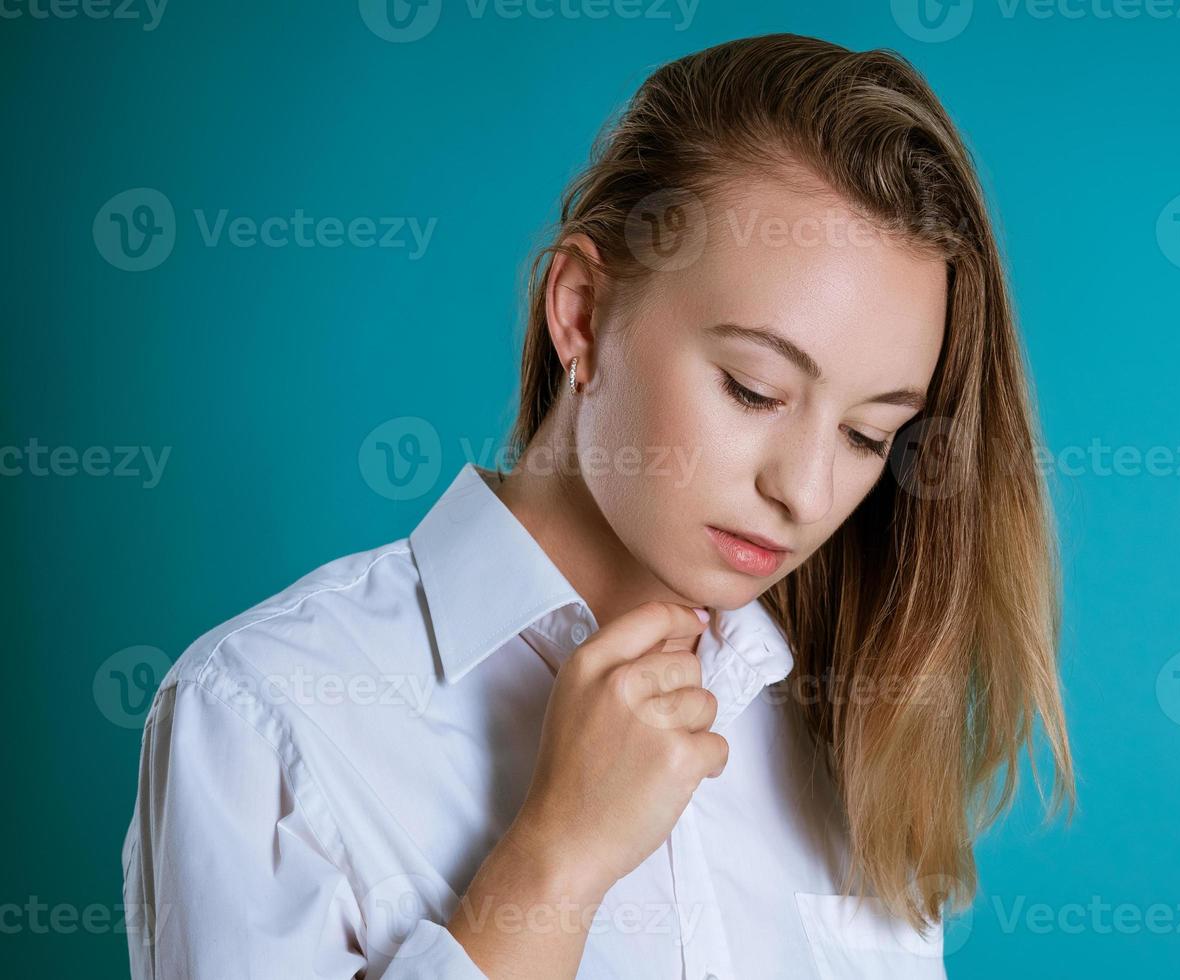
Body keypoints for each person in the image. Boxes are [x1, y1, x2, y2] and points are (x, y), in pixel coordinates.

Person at [122, 32, 1074, 979]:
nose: (804, 492)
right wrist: (552, 868)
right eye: (752, 389)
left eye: (868, 436)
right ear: (580, 310)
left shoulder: (848, 734)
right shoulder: (263, 714)